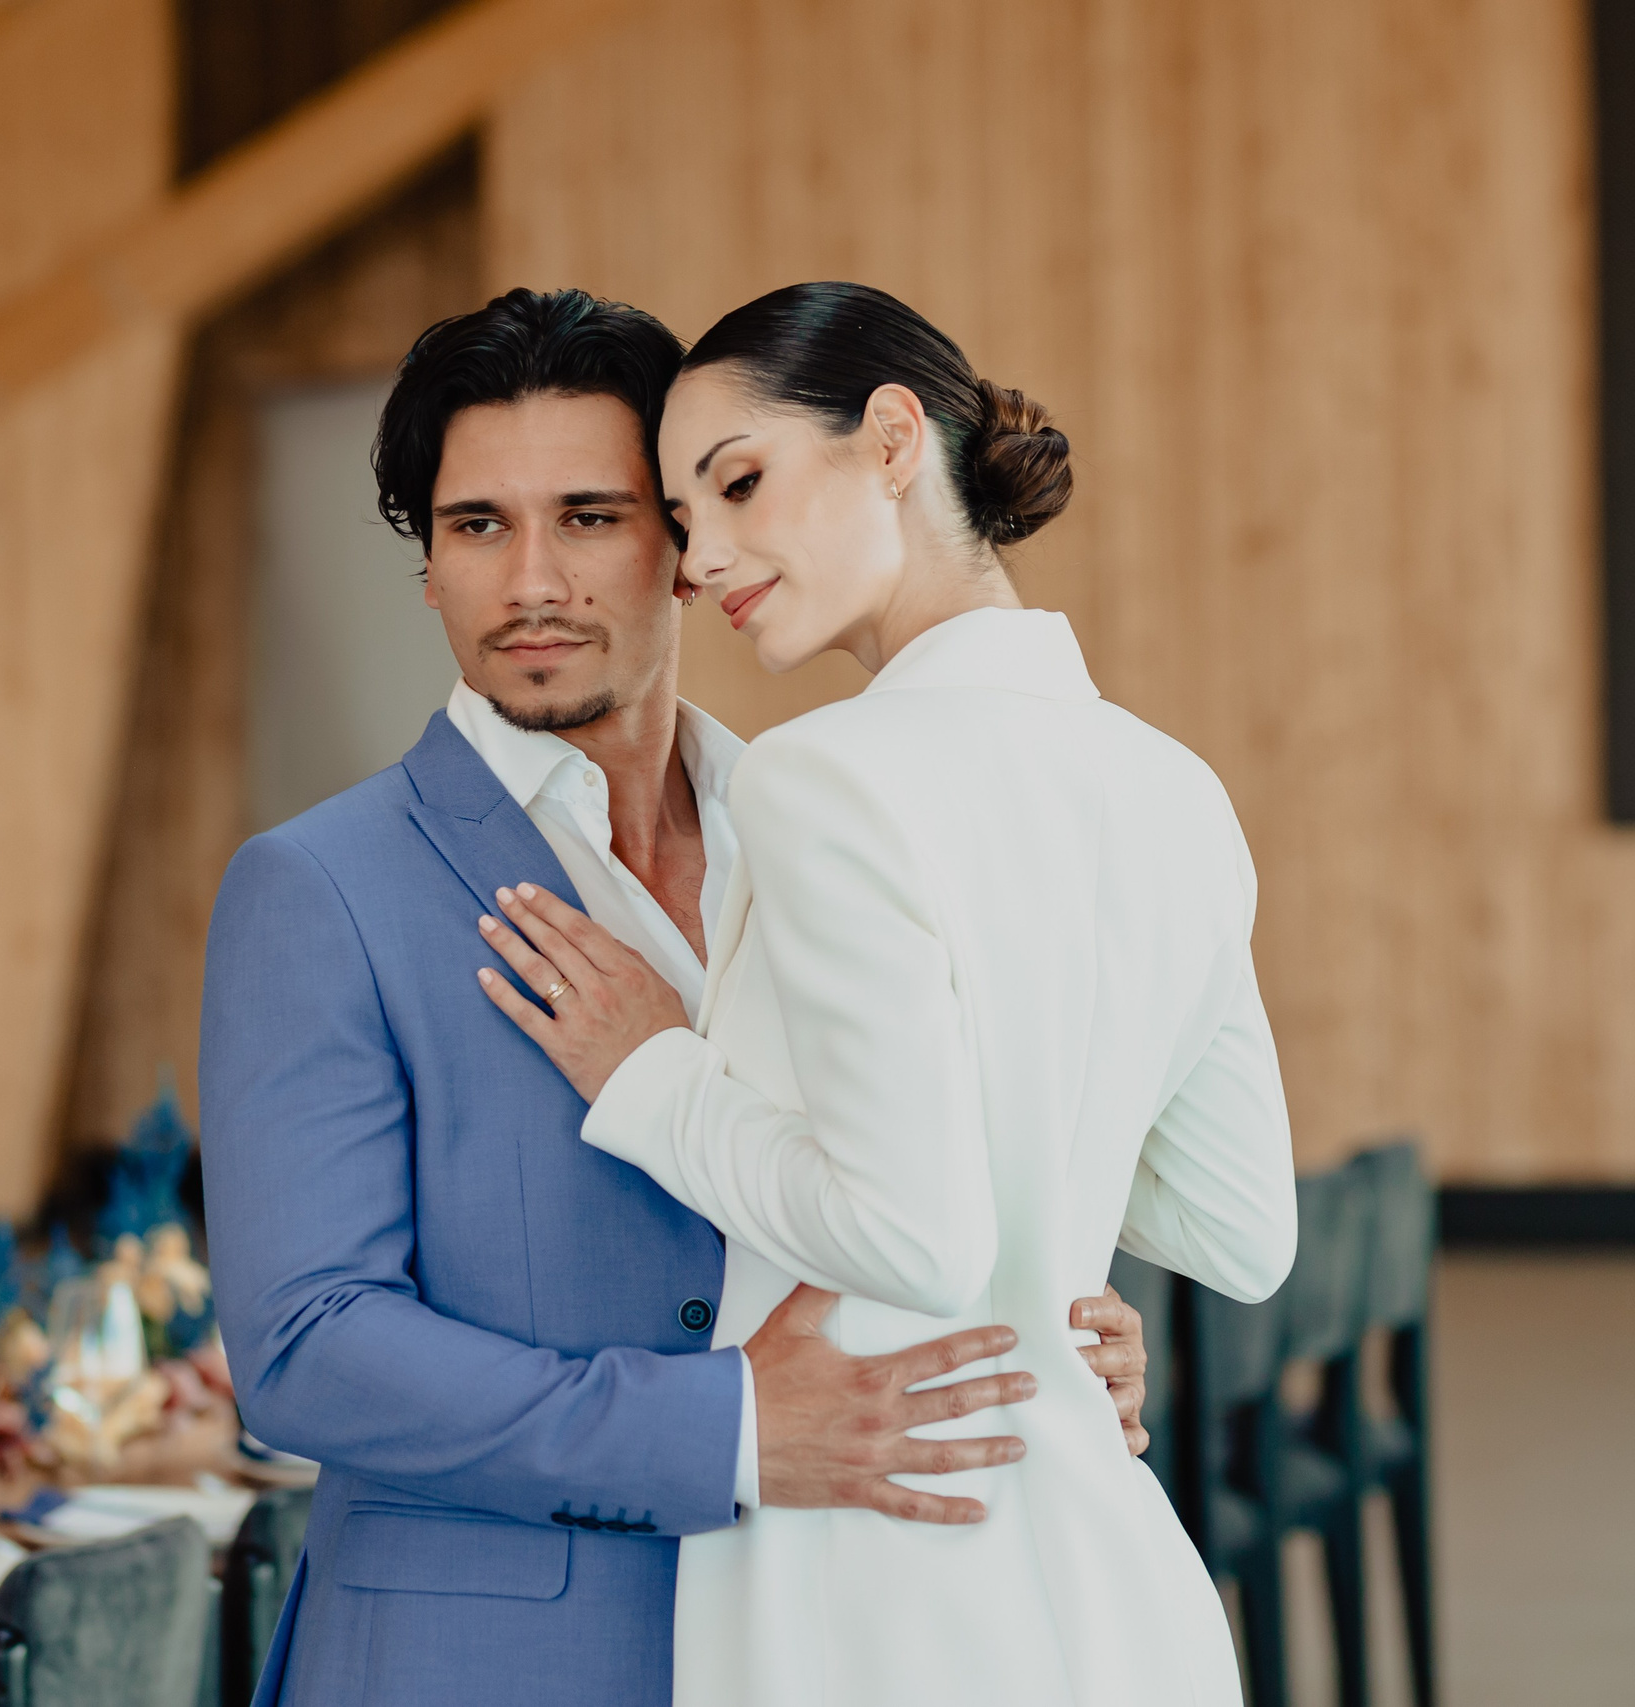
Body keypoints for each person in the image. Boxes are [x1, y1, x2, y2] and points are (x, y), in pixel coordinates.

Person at [199, 288, 1156, 1707]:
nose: (533, 581)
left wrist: (1046, 1329)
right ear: (428, 569)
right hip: (476, 1662)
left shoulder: (829, 826)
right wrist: (727, 1429)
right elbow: (306, 1350)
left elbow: (894, 1183)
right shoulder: (317, 887)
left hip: (826, 1635)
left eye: (590, 515)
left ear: (688, 544)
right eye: (477, 527)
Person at [472, 282, 1298, 1704]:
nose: (706, 556)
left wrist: (652, 1076)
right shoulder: (1176, 787)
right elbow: (1240, 1229)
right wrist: (1054, 1235)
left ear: (894, 437)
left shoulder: (825, 776)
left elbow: (911, 1238)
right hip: (1117, 1590)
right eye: (683, 518)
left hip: (890, 1585)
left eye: (739, 484)